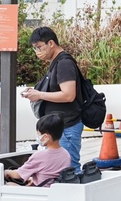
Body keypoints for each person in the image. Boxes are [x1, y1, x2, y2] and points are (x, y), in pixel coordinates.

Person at [22, 27, 83, 170]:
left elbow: (68, 95)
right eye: (34, 49)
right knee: (59, 169)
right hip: (59, 128)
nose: (37, 52)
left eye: (38, 47)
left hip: (67, 126)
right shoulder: (56, 63)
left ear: (51, 43)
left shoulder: (64, 63)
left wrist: (40, 95)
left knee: (69, 169)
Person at [4, 114, 71, 187]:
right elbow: (49, 174)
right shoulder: (66, 154)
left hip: (40, 192)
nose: (38, 137)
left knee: (8, 185)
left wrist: (7, 172)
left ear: (45, 137)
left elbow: (18, 175)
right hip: (54, 190)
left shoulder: (40, 156)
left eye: (38, 134)